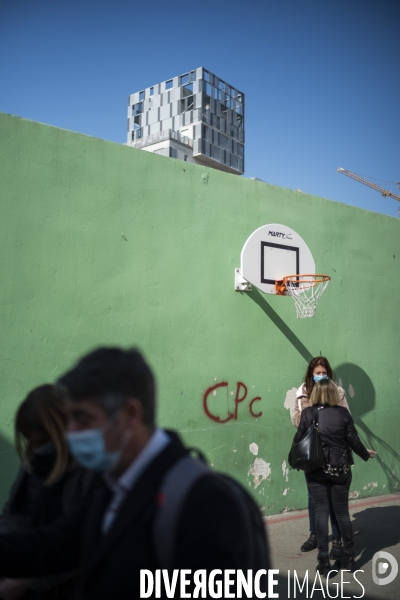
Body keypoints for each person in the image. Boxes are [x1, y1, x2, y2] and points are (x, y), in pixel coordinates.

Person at [0, 347, 270, 600]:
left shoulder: (204, 503)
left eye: (83, 418)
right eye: (69, 419)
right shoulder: (107, 484)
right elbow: (59, 544)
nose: (70, 432)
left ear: (130, 415)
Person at [0, 384, 93, 600]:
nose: (36, 448)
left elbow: (86, 544)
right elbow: (16, 513)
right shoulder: (36, 460)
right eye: (31, 441)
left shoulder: (95, 469)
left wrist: (28, 581)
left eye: (42, 441)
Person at [292, 379, 376, 574]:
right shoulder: (343, 413)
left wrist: (294, 461)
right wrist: (365, 454)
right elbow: (353, 440)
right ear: (332, 394)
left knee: (321, 514)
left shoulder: (307, 413)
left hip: (316, 471)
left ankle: (323, 561)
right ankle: (349, 558)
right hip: (341, 469)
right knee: (342, 513)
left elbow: (298, 441)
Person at [291, 356, 350, 559]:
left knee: (334, 500)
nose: (321, 376)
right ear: (311, 374)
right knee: (313, 497)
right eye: (318, 373)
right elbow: (295, 420)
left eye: (324, 373)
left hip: (333, 453)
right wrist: (309, 414)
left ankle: (338, 541)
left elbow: (345, 419)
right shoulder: (301, 393)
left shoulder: (337, 391)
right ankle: (315, 535)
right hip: (312, 452)